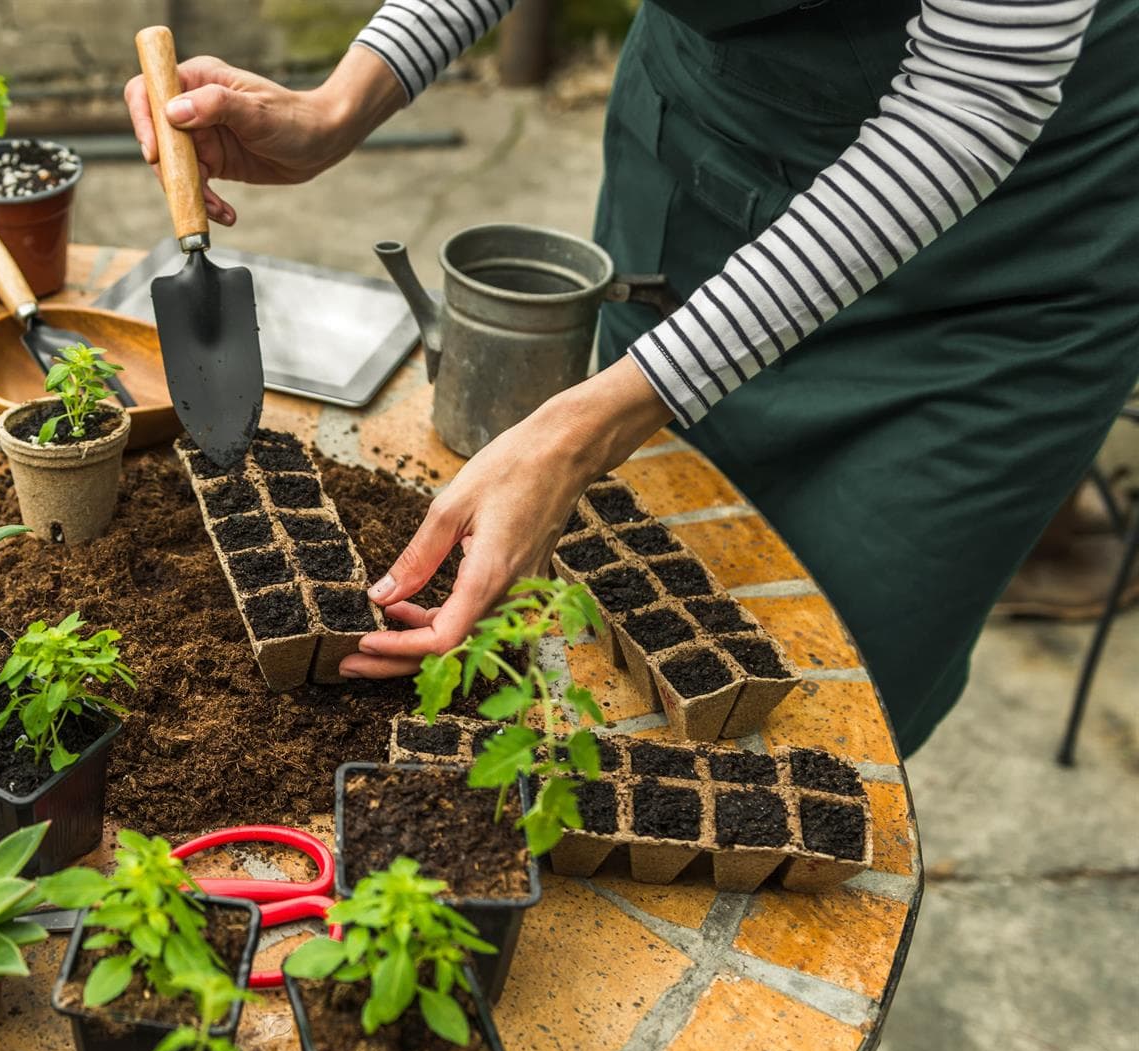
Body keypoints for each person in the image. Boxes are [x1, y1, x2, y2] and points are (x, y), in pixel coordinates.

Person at [125, 0, 1139, 755]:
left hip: (1001, 257)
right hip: (714, 136)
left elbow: (978, 91)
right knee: (648, 555)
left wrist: (592, 422)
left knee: (831, 709)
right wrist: (345, 101)